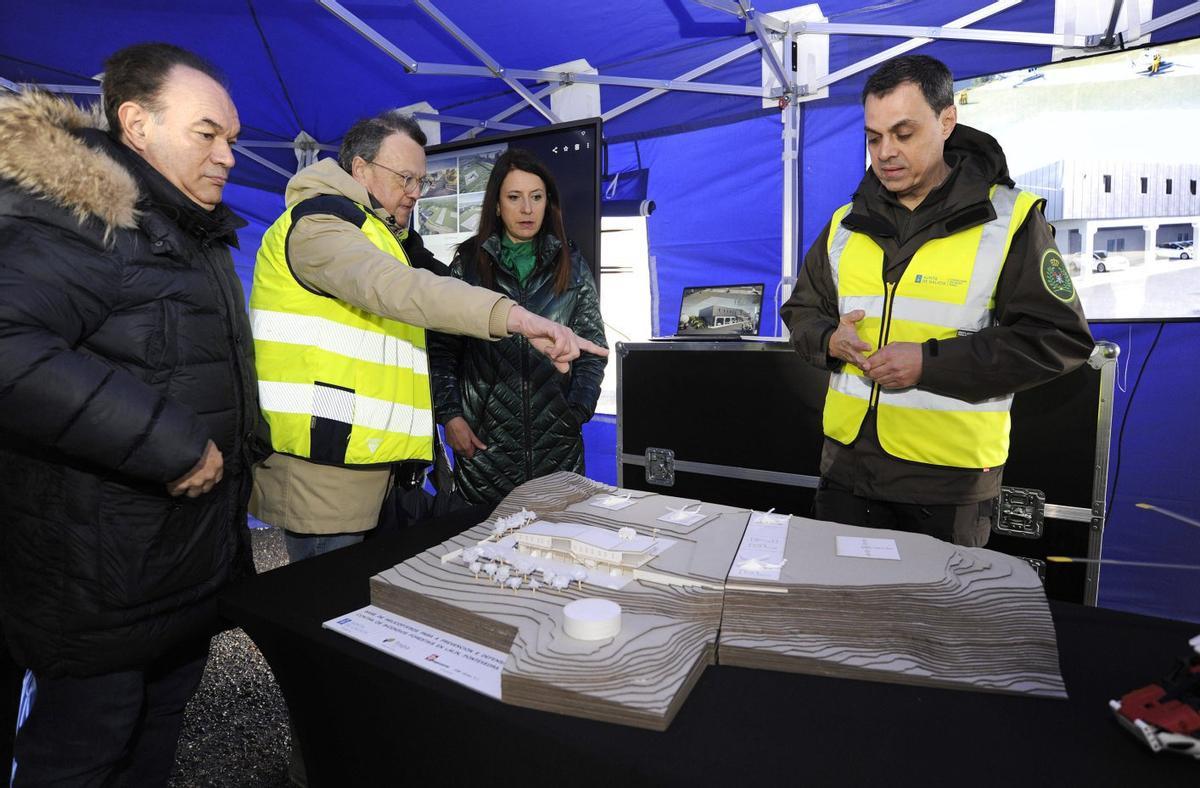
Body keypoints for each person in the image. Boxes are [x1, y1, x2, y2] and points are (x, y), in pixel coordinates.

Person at [0, 43, 265, 785]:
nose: (228, 156)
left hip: (178, 563)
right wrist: (171, 444)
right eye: (207, 134)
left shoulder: (189, 226)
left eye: (233, 140)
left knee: (156, 739)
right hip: (97, 574)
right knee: (82, 754)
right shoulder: (81, 212)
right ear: (136, 123)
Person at [250, 114, 607, 561]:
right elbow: (402, 290)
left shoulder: (387, 236)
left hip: (384, 471)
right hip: (330, 472)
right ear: (361, 170)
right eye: (406, 178)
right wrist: (518, 319)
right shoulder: (320, 227)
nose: (416, 192)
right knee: (328, 612)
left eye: (420, 180)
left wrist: (573, 405)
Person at [781, 55, 1093, 547]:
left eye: (903, 134)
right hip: (844, 473)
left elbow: (1057, 338)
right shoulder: (845, 224)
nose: (885, 152)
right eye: (874, 136)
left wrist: (928, 364)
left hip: (946, 489)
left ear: (947, 121)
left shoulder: (1009, 221)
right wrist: (829, 339)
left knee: (933, 625)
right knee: (839, 617)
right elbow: (802, 311)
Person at [429, 149, 608, 506]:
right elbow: (443, 352)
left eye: (536, 197)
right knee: (484, 557)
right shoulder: (468, 266)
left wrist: (575, 412)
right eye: (514, 197)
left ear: (548, 204)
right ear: (496, 205)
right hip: (485, 453)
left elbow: (593, 349)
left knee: (556, 551)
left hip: (557, 452)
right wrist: (450, 417)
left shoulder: (571, 264)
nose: (527, 209)